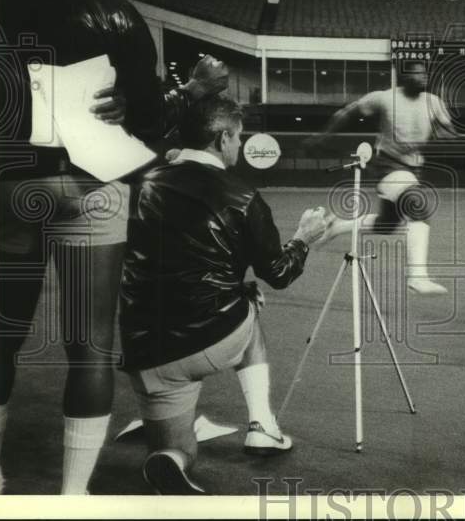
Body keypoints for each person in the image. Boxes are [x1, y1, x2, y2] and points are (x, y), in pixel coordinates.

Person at [0, 0, 228, 494]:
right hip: (91, 186)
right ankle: (73, 496)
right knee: (90, 347)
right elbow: (151, 124)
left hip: (5, 181)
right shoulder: (118, 10)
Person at [120, 96, 329, 495]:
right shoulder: (243, 196)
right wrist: (304, 238)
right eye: (237, 138)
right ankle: (263, 427)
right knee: (250, 310)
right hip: (206, 337)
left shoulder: (144, 182)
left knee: (176, 448)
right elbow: (280, 274)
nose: (239, 146)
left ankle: (170, 461)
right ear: (222, 138)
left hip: (144, 347)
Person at [310, 60, 454, 295]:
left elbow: (450, 132)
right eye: (416, 74)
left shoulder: (433, 102)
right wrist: (322, 136)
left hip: (413, 169)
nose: (422, 77)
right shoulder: (385, 98)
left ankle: (337, 225)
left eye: (424, 74)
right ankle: (417, 276)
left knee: (386, 225)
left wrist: (444, 132)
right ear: (403, 78)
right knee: (418, 206)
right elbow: (347, 112)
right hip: (387, 165)